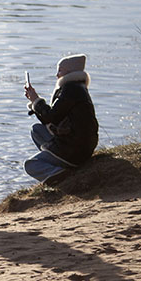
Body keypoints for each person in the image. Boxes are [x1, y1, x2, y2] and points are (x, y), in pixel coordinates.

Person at [23, 54, 99, 184]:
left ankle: (61, 174)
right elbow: (51, 119)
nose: (57, 75)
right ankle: (55, 163)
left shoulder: (71, 89)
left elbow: (51, 117)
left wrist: (36, 99)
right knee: (37, 130)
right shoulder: (77, 87)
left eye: (60, 70)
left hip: (74, 149)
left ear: (69, 72)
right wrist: (34, 101)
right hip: (79, 145)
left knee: (30, 165)